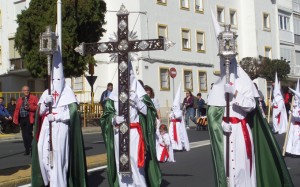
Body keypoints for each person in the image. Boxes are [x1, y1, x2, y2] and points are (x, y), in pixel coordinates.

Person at [208, 13, 293, 187]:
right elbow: (212, 114)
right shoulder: (217, 85)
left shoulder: (243, 79)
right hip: (226, 131)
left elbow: (251, 105)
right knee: (227, 172)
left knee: (242, 170)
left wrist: (236, 93)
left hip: (240, 130)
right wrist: (220, 124)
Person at [31, 25, 88, 187]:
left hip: (60, 129)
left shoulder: (68, 94)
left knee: (59, 160)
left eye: (58, 80)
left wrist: (56, 116)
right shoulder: (46, 92)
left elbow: (73, 114)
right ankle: (48, 182)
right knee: (44, 156)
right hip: (46, 130)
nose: (56, 84)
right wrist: (44, 106)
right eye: (53, 81)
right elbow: (39, 112)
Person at [99, 62, 161, 187]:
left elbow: (149, 114)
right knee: (121, 164)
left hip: (133, 133)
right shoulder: (114, 95)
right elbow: (106, 116)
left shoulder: (140, 94)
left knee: (135, 163)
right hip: (118, 133)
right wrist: (113, 119)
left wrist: (137, 101)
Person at [13, 86, 38, 155]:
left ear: (29, 91)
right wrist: (15, 118)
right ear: (22, 91)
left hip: (29, 118)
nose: (26, 91)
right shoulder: (20, 99)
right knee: (24, 135)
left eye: (27, 90)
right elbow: (17, 109)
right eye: (24, 90)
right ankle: (27, 149)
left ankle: (32, 148)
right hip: (21, 118)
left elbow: (37, 107)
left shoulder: (34, 98)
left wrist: (30, 107)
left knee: (28, 134)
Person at [169, 83, 190, 151]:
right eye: (173, 106)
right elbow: (170, 116)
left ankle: (180, 146)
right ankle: (173, 146)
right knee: (171, 135)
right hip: (172, 125)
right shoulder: (173, 111)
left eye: (175, 106)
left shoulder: (179, 112)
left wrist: (174, 114)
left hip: (178, 125)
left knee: (179, 135)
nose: (174, 107)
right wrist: (171, 114)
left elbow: (178, 116)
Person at [286, 86, 300, 158]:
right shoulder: (296, 108)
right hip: (295, 125)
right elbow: (293, 116)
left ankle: (296, 152)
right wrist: (291, 111)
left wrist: (293, 112)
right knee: (294, 138)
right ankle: (294, 151)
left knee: (297, 139)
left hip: (297, 125)